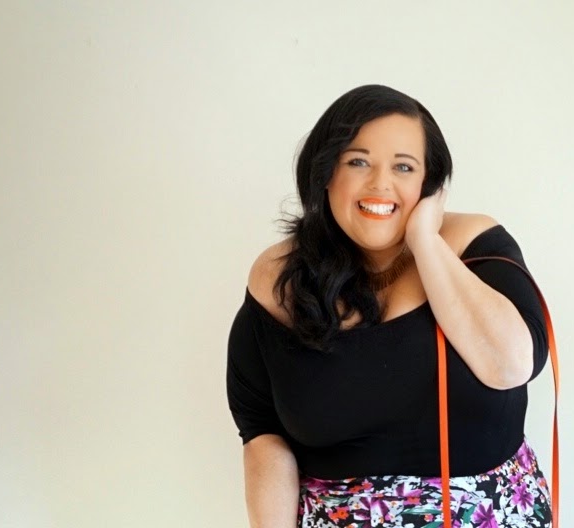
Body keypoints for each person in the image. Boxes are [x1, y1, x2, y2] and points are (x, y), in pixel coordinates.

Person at [227, 84, 552, 528]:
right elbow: (263, 433)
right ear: (326, 172)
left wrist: (425, 241)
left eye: (404, 166)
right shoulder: (278, 279)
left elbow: (512, 365)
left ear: (429, 184)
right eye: (358, 161)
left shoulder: (472, 244)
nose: (380, 183)